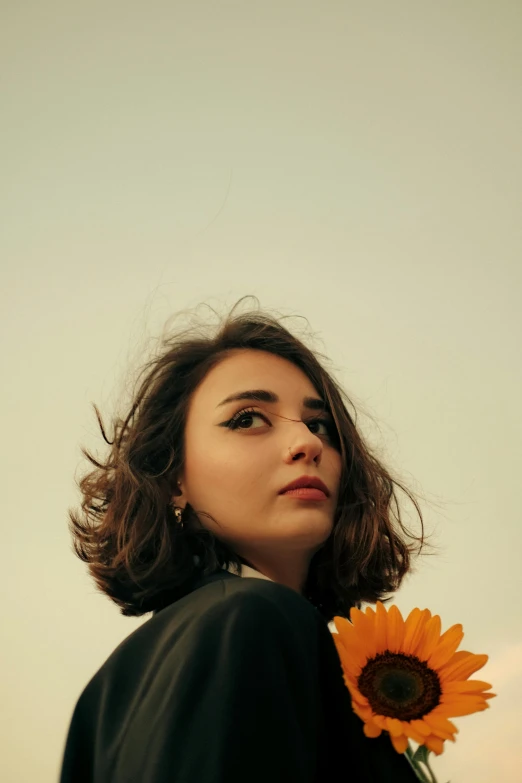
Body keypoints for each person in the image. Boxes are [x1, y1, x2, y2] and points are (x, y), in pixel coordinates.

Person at [59, 297, 426, 782]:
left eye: (319, 425)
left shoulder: (109, 690)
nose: (309, 443)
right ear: (173, 479)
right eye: (248, 419)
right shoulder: (253, 620)